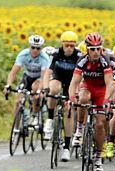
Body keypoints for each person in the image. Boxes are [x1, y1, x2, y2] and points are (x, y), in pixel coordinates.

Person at [68, 32, 113, 171]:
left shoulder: (104, 61)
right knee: (82, 99)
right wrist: (71, 98)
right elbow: (74, 82)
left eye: (98, 48)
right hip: (87, 87)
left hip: (101, 91)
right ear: (87, 49)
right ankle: (80, 128)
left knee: (100, 124)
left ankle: (98, 157)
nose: (96, 52)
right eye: (92, 49)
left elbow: (110, 83)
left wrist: (107, 101)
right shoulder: (82, 61)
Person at [41, 31, 80, 161]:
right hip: (58, 77)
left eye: (72, 46)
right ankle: (50, 118)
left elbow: (82, 77)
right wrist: (45, 88)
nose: (69, 48)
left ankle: (67, 148)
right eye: (66, 45)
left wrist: (76, 93)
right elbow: (48, 73)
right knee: (53, 89)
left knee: (69, 111)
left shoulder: (79, 55)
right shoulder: (56, 53)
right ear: (62, 44)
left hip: (71, 82)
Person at [4, 35, 51, 129]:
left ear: (41, 48)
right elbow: (13, 72)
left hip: (39, 78)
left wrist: (39, 91)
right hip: (27, 77)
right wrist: (8, 85)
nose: (35, 50)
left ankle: (35, 115)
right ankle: (16, 127)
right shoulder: (23, 54)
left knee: (35, 90)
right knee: (18, 100)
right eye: (33, 47)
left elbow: (43, 77)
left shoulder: (44, 58)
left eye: (38, 48)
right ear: (29, 46)